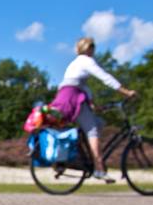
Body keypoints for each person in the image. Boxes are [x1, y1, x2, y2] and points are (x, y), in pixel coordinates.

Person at [51, 37, 136, 183]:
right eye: (93, 48)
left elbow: (81, 87)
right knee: (92, 131)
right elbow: (105, 77)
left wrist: (93, 105)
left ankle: (85, 156)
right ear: (88, 48)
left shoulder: (75, 64)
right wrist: (125, 91)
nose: (94, 52)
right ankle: (99, 168)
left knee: (99, 122)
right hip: (72, 99)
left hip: (68, 98)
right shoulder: (86, 61)